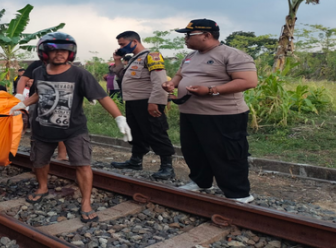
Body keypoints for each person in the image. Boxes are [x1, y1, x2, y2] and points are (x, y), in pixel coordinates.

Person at [10, 32, 131, 223]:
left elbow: (102, 97)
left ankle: (85, 202)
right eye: (54, 51)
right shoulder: (38, 72)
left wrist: (119, 118)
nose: (60, 55)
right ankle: (42, 187)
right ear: (44, 53)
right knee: (39, 161)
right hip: (42, 127)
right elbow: (38, 94)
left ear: (71, 53)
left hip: (74, 129)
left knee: (82, 164)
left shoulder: (80, 74)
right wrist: (23, 104)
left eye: (65, 51)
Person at [163, 19, 258, 203]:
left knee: (227, 153)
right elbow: (180, 74)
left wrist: (210, 90)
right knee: (194, 150)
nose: (186, 38)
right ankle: (201, 182)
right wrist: (172, 83)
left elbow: (248, 81)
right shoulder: (190, 56)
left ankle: (238, 193)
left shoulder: (232, 55)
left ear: (207, 35)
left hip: (223, 114)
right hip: (191, 113)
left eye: (189, 35)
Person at [110, 31, 176, 180]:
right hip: (132, 102)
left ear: (134, 42)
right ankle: (135, 161)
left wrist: (156, 102)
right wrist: (118, 61)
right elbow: (122, 77)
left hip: (148, 101)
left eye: (122, 44)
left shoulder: (151, 57)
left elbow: (160, 81)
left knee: (156, 132)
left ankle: (167, 167)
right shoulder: (134, 59)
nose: (120, 48)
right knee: (136, 132)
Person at [15, 60, 69, 161]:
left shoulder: (66, 64)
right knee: (36, 130)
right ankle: (36, 157)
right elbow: (23, 79)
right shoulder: (37, 65)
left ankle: (62, 155)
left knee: (61, 126)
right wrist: (19, 95)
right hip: (36, 101)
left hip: (58, 100)